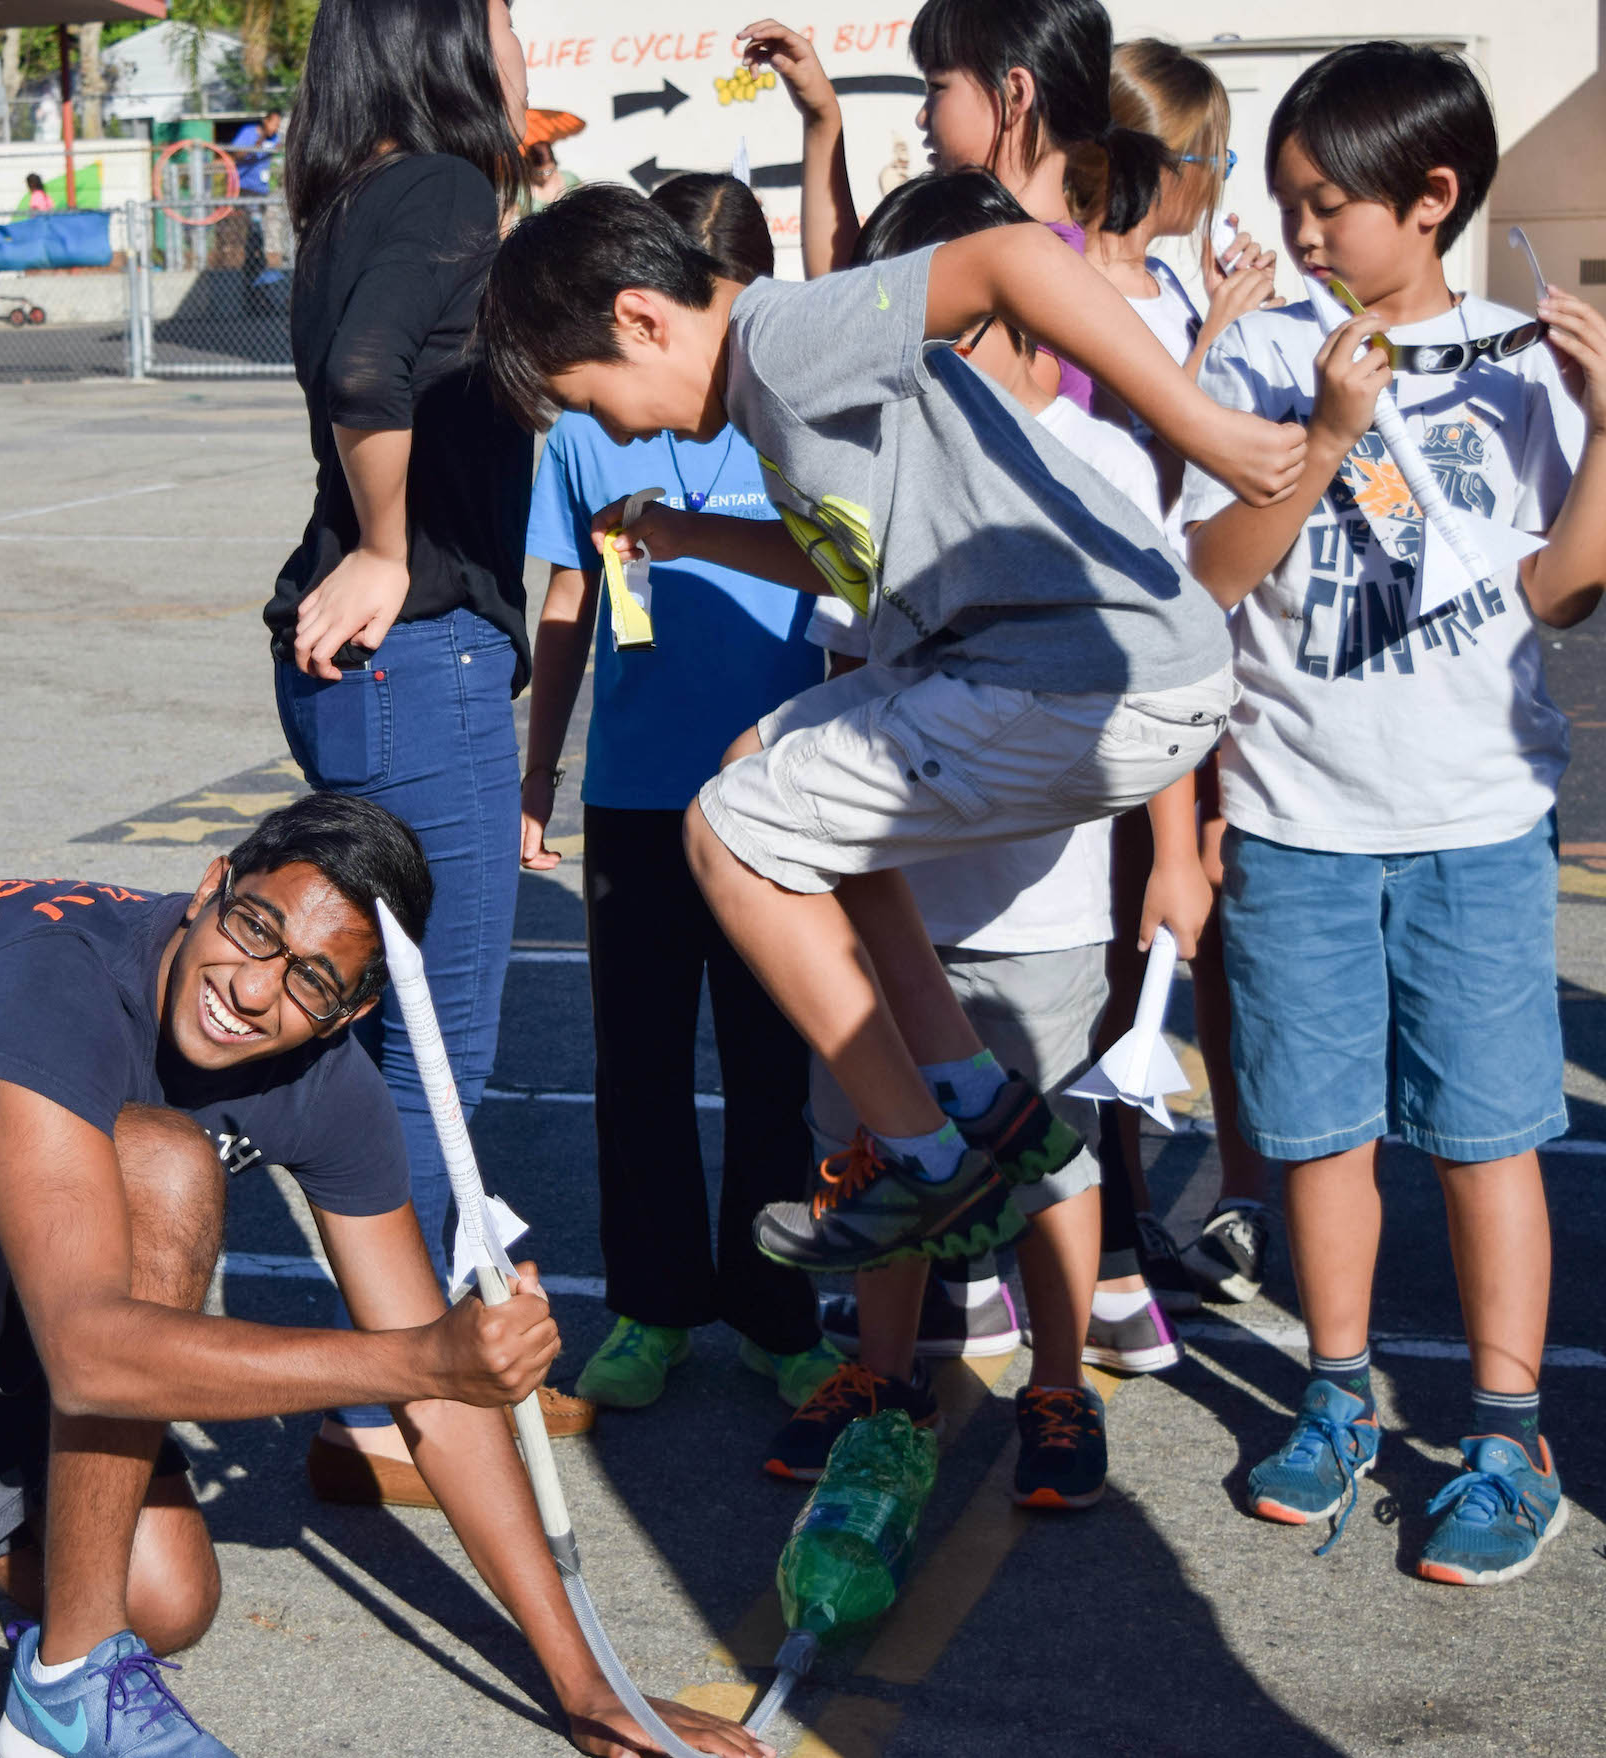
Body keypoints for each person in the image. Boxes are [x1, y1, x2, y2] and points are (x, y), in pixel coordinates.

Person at [0, 798, 757, 1758]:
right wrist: (423, 1356)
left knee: (165, 1597)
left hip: (3, 1202)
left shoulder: (327, 1092)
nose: (254, 987)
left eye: (312, 980)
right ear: (209, 884)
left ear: (353, 1013)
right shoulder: (54, 982)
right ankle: (68, 1691)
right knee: (167, 1170)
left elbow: (442, 1403)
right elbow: (92, 1349)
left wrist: (585, 1684)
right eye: (254, 926)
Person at [477, 187, 1304, 1452]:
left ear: (641, 320)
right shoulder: (769, 398)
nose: (609, 428)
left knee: (725, 827)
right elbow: (844, 559)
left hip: (1087, 683)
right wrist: (687, 530)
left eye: (590, 398)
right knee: (784, 761)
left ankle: (916, 1158)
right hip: (1072, 680)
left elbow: (1014, 255)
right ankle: (973, 1097)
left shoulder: (784, 335)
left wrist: (1204, 424)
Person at [1182, 41, 1606, 1584]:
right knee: (1318, 1135)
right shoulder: (1256, 351)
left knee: (1489, 1131)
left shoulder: (1522, 358)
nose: (1304, 233)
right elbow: (1212, 581)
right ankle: (1332, 1395)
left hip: (1478, 810)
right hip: (1300, 812)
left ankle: (1510, 1430)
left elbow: (1565, 590)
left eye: (1330, 205)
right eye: (1286, 201)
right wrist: (1318, 433)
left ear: (1430, 200)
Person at [760, 173, 1192, 1499]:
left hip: (1044, 912)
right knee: (888, 1148)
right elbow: (849, 662)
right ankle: (886, 1379)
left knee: (1050, 1155)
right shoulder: (878, 469)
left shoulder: (1108, 461)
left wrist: (1171, 851)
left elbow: (1170, 668)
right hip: (897, 905)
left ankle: (1059, 1389)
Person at [265, 0, 592, 1507]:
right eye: (506, 19)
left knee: (401, 1038)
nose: (527, 49)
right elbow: (365, 379)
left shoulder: (356, 190)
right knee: (433, 1051)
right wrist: (395, 546)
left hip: (377, 674)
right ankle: (408, 1396)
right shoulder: (442, 191)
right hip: (424, 661)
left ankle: (467, 1336)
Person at [520, 172, 839, 1417]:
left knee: (773, 1068)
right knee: (637, 1068)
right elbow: (568, 608)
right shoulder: (586, 426)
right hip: (639, 799)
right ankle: (652, 1306)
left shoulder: (787, 411)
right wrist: (536, 779)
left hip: (780, 794)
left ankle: (773, 1307)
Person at [1077, 38, 1280, 1314]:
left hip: (1201, 663)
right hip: (1115, 660)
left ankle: (1231, 1194)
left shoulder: (1173, 288)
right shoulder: (1083, 291)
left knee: (1196, 932)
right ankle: (1109, 1213)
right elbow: (1147, 487)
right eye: (1208, 160)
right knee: (1106, 947)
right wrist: (1205, 338)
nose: (1217, 185)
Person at [739, 0, 1170, 413]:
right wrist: (822, 118)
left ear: (1016, 93)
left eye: (937, 88)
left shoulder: (1031, 268)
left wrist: (823, 120)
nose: (922, 117)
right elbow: (852, 300)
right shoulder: (1069, 261)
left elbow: (850, 315)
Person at [228, 109, 285, 313]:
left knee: (259, 241)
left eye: (278, 125)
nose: (276, 128)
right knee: (251, 237)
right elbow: (237, 154)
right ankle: (249, 290)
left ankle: (258, 293)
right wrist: (258, 143)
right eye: (274, 123)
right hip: (246, 190)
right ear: (265, 121)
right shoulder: (250, 132)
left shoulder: (275, 137)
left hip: (261, 192)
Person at [518, 139, 580, 217]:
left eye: (549, 171)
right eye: (538, 173)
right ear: (529, 169)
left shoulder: (570, 179)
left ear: (554, 164)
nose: (544, 177)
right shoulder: (521, 191)